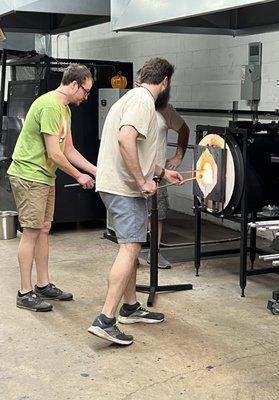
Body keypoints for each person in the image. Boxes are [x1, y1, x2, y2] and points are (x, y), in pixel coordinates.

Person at [88, 58, 182, 346]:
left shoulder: (133, 97)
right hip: (123, 188)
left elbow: (137, 152)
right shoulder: (143, 101)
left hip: (115, 185)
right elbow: (125, 140)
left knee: (128, 245)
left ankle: (130, 307)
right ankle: (105, 319)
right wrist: (142, 182)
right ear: (165, 81)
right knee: (130, 249)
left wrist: (162, 172)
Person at [8, 64, 96, 312]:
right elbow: (54, 153)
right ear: (74, 85)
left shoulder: (65, 109)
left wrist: (95, 170)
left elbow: (70, 150)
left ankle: (43, 284)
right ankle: (24, 292)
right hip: (29, 175)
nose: (86, 97)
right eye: (86, 91)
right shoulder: (49, 106)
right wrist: (79, 176)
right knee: (31, 232)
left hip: (45, 176)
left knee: (44, 229)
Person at [146, 103, 190, 269]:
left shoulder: (165, 109)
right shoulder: (133, 105)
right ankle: (131, 254)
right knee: (134, 211)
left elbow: (184, 130)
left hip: (158, 172)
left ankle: (154, 253)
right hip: (133, 169)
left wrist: (178, 157)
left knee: (158, 213)